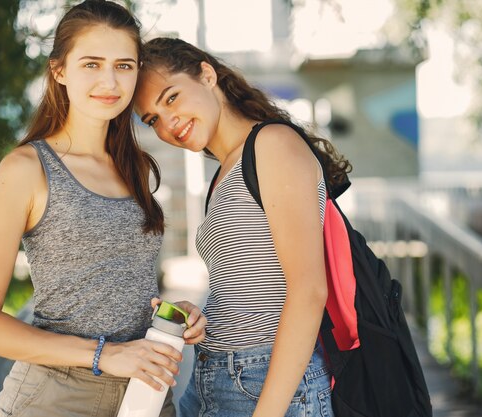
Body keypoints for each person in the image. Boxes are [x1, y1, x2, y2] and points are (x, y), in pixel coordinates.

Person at [0, 4, 206, 417]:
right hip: (57, 399)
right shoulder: (26, 168)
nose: (109, 81)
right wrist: (104, 355)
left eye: (124, 66)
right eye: (91, 64)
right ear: (59, 71)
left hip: (144, 395)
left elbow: (116, 285)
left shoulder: (136, 168)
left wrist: (172, 316)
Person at [134, 37, 352, 417]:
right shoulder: (223, 172)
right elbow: (248, 286)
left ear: (206, 74)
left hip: (270, 386)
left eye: (171, 98)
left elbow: (309, 291)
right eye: (152, 119)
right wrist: (199, 315)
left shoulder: (272, 145)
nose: (168, 123)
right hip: (211, 380)